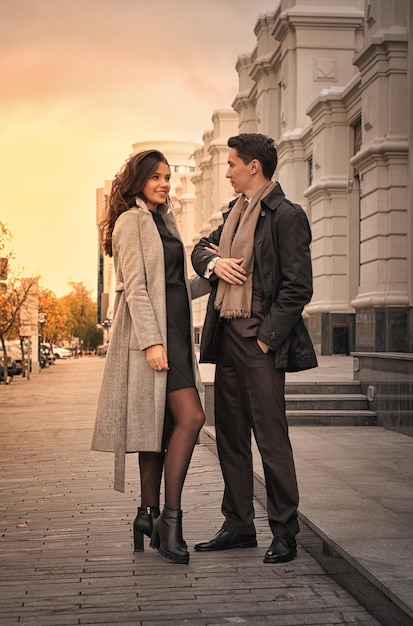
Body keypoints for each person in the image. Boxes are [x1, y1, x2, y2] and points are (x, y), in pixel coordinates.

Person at [191, 133, 317, 564]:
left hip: (260, 343)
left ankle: (285, 531)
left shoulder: (286, 216)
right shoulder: (233, 214)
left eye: (231, 164)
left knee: (271, 439)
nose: (227, 171)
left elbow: (298, 288)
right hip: (226, 338)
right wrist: (215, 263)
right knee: (229, 436)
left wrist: (266, 338)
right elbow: (197, 251)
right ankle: (239, 525)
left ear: (253, 167)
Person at [91, 150, 207, 565]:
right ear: (138, 180)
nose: (164, 183)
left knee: (163, 425)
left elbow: (172, 286)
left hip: (176, 333)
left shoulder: (165, 220)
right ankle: (169, 522)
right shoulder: (130, 221)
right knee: (190, 418)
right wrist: (151, 343)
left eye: (167, 177)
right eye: (155, 177)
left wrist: (211, 278)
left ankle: (147, 514)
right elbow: (137, 288)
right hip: (154, 339)